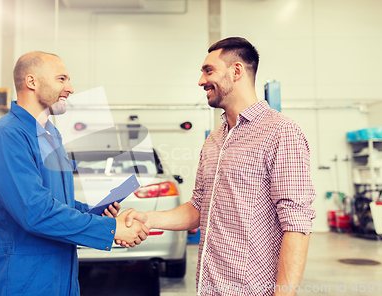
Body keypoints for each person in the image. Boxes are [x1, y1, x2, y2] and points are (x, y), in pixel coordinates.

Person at [120, 37, 316, 296]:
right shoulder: (215, 139)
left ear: (236, 71)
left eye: (208, 70)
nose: (201, 81)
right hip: (209, 287)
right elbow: (199, 207)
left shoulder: (281, 133)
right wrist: (149, 218)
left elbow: (296, 224)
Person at [0, 51, 149, 296]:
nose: (70, 88)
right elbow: (35, 212)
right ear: (32, 82)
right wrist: (110, 229)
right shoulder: (6, 137)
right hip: (20, 280)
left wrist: (93, 212)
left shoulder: (50, 136)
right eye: (61, 79)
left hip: (61, 278)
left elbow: (55, 201)